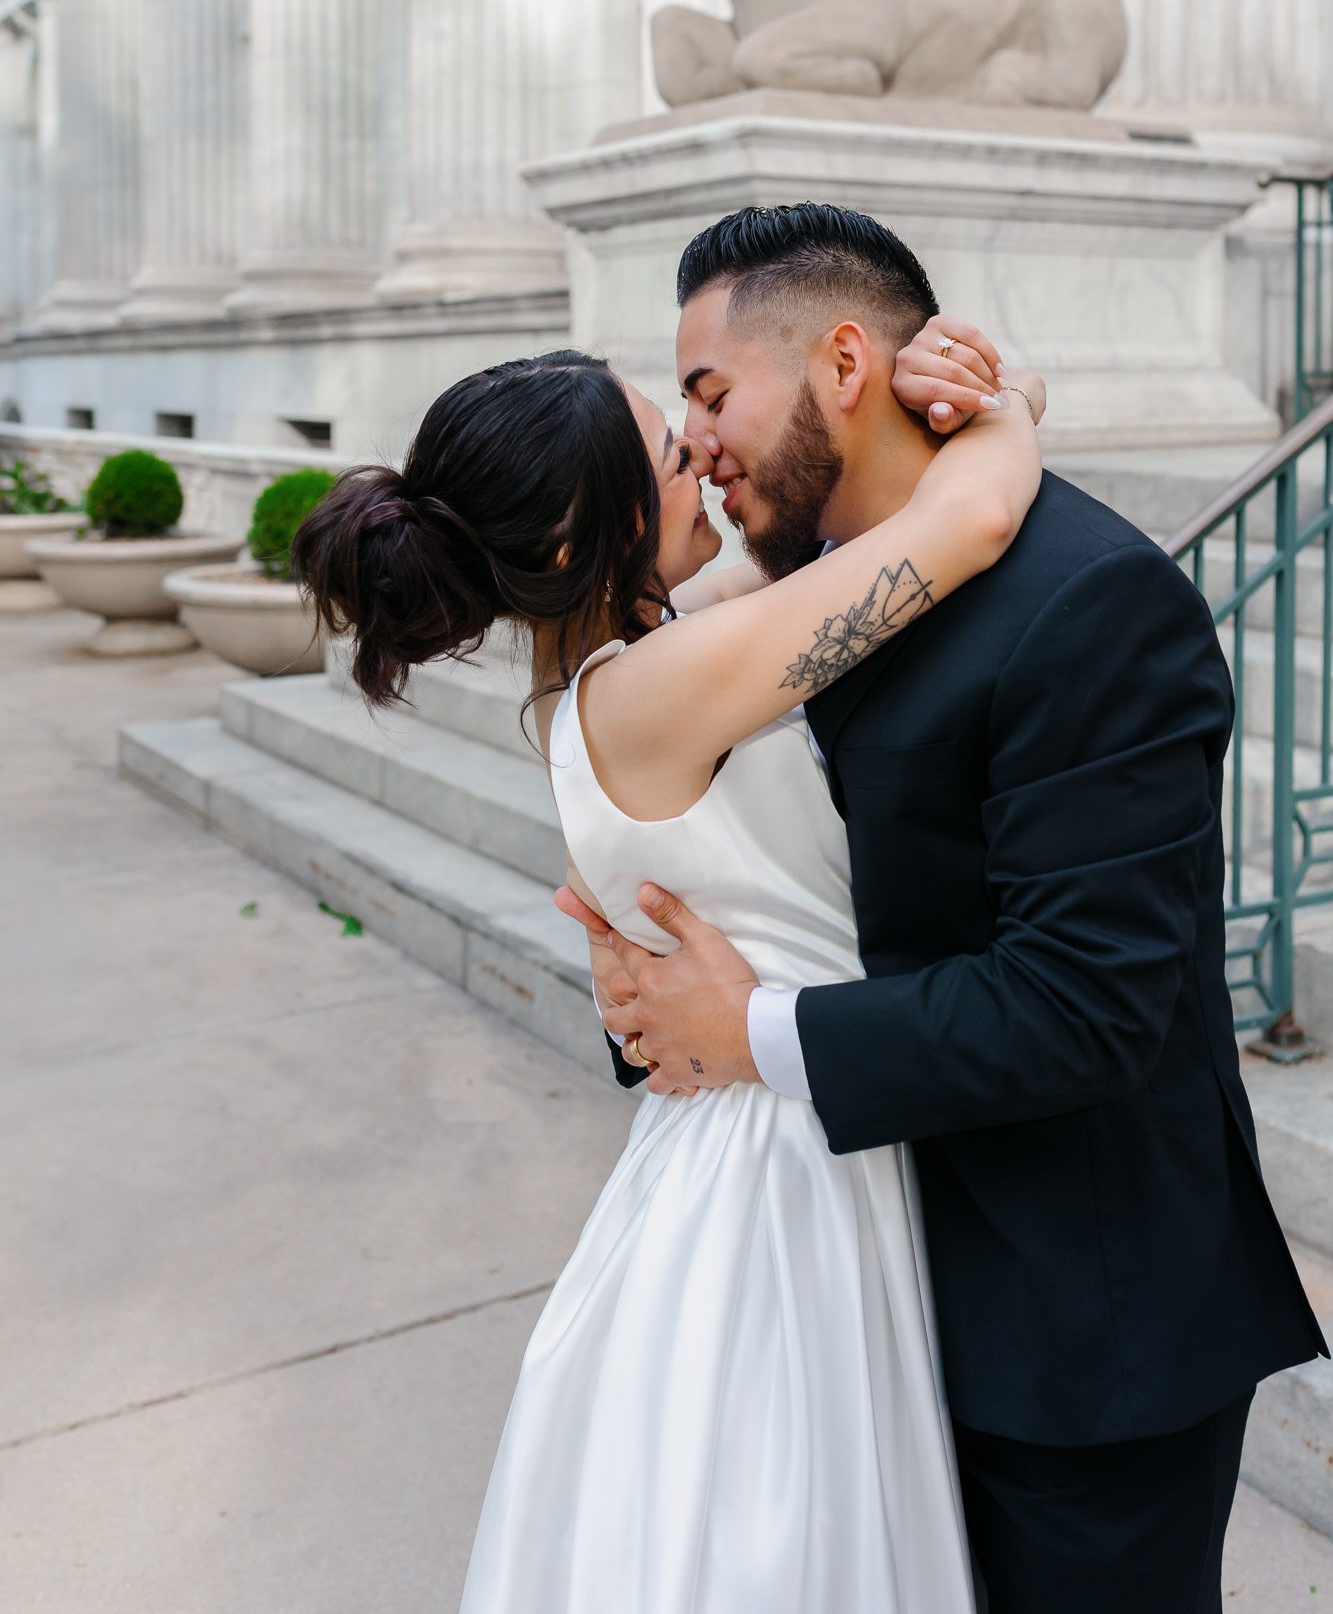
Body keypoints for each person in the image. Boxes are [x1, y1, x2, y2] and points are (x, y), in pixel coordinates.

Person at [559, 203, 1327, 1614]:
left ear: (845, 362)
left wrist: (751, 1029)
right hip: (858, 1302)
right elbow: (774, 896)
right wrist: (655, 1002)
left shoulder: (1087, 603)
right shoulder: (795, 608)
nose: (698, 437)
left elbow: (1081, 1007)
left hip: (1071, 1338)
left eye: (711, 392)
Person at [290, 279, 1046, 1609]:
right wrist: (1011, 406)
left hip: (754, 1125)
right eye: (664, 450)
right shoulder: (658, 688)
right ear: (594, 526)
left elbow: (826, 551)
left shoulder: (619, 674)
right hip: (776, 1174)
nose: (697, 456)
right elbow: (971, 521)